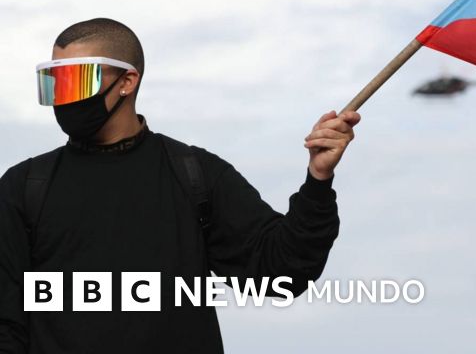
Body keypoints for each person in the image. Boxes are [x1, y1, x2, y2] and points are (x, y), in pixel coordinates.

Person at [0, 18, 361, 353]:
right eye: (54, 84)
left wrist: (318, 179)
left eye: (77, 81)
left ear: (127, 82)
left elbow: (283, 271)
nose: (65, 98)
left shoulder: (196, 175)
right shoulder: (23, 187)